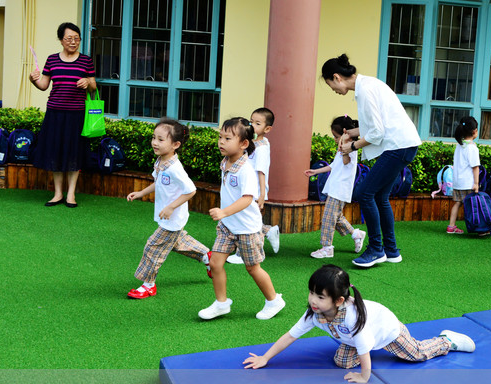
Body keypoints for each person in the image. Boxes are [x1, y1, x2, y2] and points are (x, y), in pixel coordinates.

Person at [242, 264, 475, 383]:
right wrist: (265, 358)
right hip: (353, 340)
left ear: (339, 300)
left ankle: (446, 341)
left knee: (416, 355)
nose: (313, 300)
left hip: (387, 332)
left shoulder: (354, 319)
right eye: (312, 293)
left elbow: (365, 352)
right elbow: (289, 336)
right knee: (342, 363)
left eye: (320, 296)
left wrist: (365, 377)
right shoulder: (315, 313)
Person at [322, 54, 422, 268]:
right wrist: (351, 133)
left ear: (337, 77)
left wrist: (352, 145)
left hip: (398, 146)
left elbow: (376, 132)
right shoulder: (367, 84)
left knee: (365, 193)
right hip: (403, 144)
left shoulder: (365, 91)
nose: (335, 91)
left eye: (332, 86)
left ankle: (376, 249)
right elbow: (375, 126)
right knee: (380, 197)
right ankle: (391, 250)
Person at [199, 117, 285, 320]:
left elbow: (248, 199)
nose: (221, 142)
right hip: (228, 226)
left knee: (253, 268)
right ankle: (221, 304)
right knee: (215, 263)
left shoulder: (246, 169)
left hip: (247, 228)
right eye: (220, 136)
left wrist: (223, 212)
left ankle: (274, 300)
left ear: (244, 144)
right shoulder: (226, 162)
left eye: (227, 138)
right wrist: (225, 217)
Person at [125, 118, 212, 299]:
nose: (155, 143)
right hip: (168, 217)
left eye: (161, 139)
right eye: (154, 138)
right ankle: (207, 256)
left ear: (176, 144)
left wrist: (171, 207)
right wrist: (141, 193)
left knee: (153, 247)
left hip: (172, 218)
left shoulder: (175, 169)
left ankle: (148, 285)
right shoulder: (161, 161)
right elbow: (158, 182)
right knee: (178, 243)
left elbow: (191, 190)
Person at [29, 22, 97, 208]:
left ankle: (71, 194)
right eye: (69, 38)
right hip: (55, 112)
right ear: (61, 40)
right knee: (56, 151)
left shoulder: (86, 60)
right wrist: (32, 80)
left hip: (76, 114)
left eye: (77, 38)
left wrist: (87, 82)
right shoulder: (51, 60)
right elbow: (43, 85)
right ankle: (58, 193)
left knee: (74, 152)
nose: (73, 42)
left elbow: (94, 86)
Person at [304, 116, 367, 258]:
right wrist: (316, 171)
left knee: (328, 218)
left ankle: (327, 247)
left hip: (340, 190)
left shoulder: (351, 149)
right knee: (336, 217)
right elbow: (334, 166)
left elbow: (346, 162)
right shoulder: (342, 149)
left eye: (336, 136)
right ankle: (356, 234)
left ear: (346, 134)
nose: (334, 139)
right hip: (335, 189)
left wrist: (343, 145)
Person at [227, 108, 280, 264]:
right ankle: (269, 231)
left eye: (257, 123)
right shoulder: (251, 143)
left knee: (247, 220)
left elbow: (261, 171)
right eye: (251, 122)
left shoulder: (261, 148)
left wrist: (262, 194)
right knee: (246, 218)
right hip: (245, 188)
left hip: (254, 190)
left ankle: (244, 253)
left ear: (267, 129)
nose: (252, 125)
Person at [446, 116, 482, 235]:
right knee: (473, 205)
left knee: (458, 203)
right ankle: (479, 228)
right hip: (468, 183)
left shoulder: (459, 145)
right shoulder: (472, 148)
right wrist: (476, 184)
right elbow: (475, 167)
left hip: (457, 182)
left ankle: (451, 226)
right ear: (474, 131)